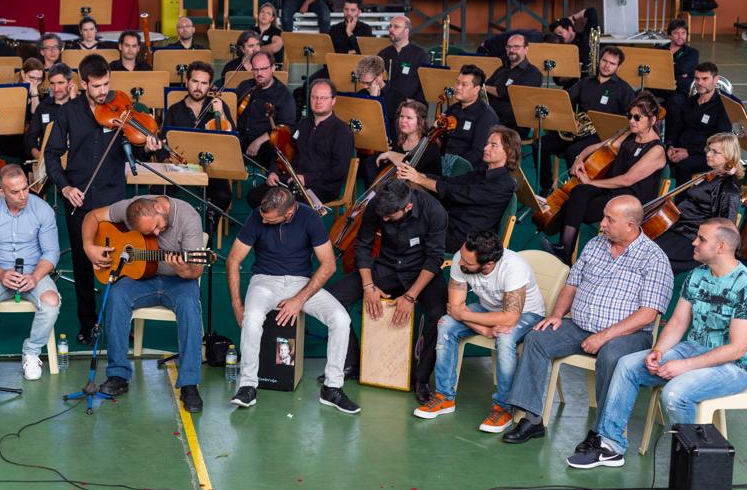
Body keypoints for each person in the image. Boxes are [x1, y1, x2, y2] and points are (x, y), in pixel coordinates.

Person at [568, 218, 747, 469]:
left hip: (734, 366)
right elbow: (678, 323)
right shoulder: (697, 275)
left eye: (701, 239)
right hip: (693, 349)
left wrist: (684, 366)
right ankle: (610, 445)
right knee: (627, 365)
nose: (694, 242)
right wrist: (659, 351)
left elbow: (737, 349)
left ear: (721, 247)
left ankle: (692, 465)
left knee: (675, 393)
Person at [502, 196, 673, 449]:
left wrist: (604, 337)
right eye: (604, 216)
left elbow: (648, 314)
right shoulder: (595, 244)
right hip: (580, 326)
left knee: (612, 356)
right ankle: (532, 419)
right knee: (537, 338)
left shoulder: (654, 259)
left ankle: (600, 432)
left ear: (630, 224)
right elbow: (572, 284)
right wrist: (557, 315)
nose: (601, 223)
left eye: (609, 219)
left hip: (629, 334)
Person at [43, 53, 161, 342]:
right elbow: (52, 155)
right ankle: (88, 325)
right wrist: (66, 187)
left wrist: (149, 145)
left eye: (106, 84)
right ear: (83, 84)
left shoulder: (119, 107)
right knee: (84, 265)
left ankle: (121, 323)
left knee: (121, 262)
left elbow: (138, 149)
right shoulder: (67, 113)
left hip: (113, 198)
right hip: (79, 198)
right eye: (96, 86)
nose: (103, 91)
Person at [227, 188, 358, 413]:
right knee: (251, 318)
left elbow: (329, 265)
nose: (262, 220)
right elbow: (233, 260)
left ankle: (332, 388)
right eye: (262, 216)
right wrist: (237, 304)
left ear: (288, 213)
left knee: (341, 319)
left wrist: (298, 300)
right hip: (264, 281)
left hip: (301, 283)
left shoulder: (310, 218)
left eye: (269, 219)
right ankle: (248, 386)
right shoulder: (257, 215)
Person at [326, 180, 448, 403]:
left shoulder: (434, 211)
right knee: (332, 298)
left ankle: (421, 379)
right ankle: (351, 361)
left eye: (390, 217)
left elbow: (434, 259)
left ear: (407, 207)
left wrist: (411, 296)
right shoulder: (378, 206)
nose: (384, 220)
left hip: (421, 271)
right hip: (386, 267)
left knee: (438, 312)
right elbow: (362, 245)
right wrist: (368, 285)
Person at [82, 195, 205, 412]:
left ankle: (189, 383)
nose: (156, 233)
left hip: (178, 281)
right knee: (116, 295)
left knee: (189, 304)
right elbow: (91, 216)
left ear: (158, 207)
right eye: (148, 233)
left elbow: (196, 270)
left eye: (157, 226)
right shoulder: (132, 208)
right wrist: (89, 247)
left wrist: (183, 268)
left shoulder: (188, 217)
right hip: (141, 280)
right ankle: (118, 374)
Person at [415, 231, 546, 434]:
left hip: (527, 315)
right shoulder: (462, 258)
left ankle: (503, 408)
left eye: (468, 262)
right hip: (488, 312)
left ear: (489, 263)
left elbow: (510, 317)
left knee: (505, 337)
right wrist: (483, 328)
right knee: (446, 323)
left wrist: (469, 318)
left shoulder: (514, 267)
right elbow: (455, 308)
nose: (459, 263)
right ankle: (444, 397)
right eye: (462, 256)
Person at [541, 92, 666, 264]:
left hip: (630, 200)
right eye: (629, 116)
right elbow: (598, 146)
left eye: (637, 117)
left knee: (573, 203)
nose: (631, 121)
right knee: (579, 192)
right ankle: (565, 249)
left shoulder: (657, 150)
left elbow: (627, 180)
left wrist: (591, 182)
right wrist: (579, 158)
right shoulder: (629, 134)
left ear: (652, 121)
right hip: (612, 190)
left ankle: (565, 251)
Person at [0, 166, 61, 392]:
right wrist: (1, 273)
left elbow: (51, 253)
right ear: (1, 192)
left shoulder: (42, 210)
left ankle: (31, 352)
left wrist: (35, 276)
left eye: (25, 189)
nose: (23, 196)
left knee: (51, 301)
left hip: (34, 271)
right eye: (15, 192)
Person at [398, 126, 519, 253]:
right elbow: (450, 181)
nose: (485, 148)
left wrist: (419, 179)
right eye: (487, 143)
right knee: (407, 216)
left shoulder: (503, 185)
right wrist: (420, 175)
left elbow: (457, 193)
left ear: (508, 151)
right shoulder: (482, 172)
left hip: (464, 239)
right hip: (450, 223)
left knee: (408, 229)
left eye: (493, 145)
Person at [536, 45, 636, 193]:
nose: (607, 66)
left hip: (601, 136)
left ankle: (574, 192)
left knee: (572, 152)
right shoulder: (585, 82)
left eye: (612, 63)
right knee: (540, 144)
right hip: (578, 130)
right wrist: (570, 120)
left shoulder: (624, 89)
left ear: (618, 66)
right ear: (599, 60)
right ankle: (546, 188)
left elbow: (630, 117)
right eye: (604, 61)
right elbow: (564, 101)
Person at [247, 78, 353, 209]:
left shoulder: (342, 131)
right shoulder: (302, 124)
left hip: (321, 186)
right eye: (314, 97)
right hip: (293, 181)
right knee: (255, 197)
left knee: (284, 205)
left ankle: (282, 228)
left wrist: (306, 178)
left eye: (324, 98)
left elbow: (339, 170)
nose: (318, 102)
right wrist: (274, 171)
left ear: (333, 100)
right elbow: (284, 153)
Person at [654, 132, 742, 274]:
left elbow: (726, 226)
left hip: (691, 239)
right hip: (677, 229)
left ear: (728, 155)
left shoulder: (728, 188)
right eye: (708, 149)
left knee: (650, 254)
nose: (708, 154)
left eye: (715, 152)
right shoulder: (710, 176)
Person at [159, 61, 234, 221]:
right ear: (186, 81)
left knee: (222, 196)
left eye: (204, 83)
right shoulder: (175, 109)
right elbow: (163, 142)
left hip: (211, 169)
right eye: (195, 81)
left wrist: (220, 115)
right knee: (158, 191)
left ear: (209, 86)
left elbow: (232, 140)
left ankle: (207, 229)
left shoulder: (219, 107)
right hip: (181, 167)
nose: (199, 87)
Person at [666, 62, 731, 183]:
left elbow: (720, 140)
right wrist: (670, 146)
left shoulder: (723, 106)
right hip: (682, 148)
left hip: (706, 153)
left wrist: (688, 152)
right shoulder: (690, 102)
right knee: (656, 156)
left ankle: (682, 202)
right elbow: (676, 128)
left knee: (684, 166)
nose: (699, 83)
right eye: (697, 78)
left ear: (716, 79)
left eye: (705, 79)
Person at [234, 51, 296, 168]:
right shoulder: (245, 86)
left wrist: (259, 141)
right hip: (240, 137)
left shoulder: (284, 95)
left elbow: (288, 126)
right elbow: (231, 109)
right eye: (255, 69)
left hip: (265, 143)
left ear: (273, 68)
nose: (259, 73)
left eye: (263, 69)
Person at [363, 99, 441, 187]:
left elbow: (410, 165)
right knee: (370, 163)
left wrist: (390, 154)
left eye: (409, 118)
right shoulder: (399, 138)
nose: (403, 121)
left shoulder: (430, 145)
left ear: (420, 121)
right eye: (401, 116)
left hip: (421, 191)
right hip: (400, 187)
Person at [441, 64, 500, 170]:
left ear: (476, 89)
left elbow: (477, 152)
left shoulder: (486, 116)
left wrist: (453, 168)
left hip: (465, 169)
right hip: (444, 162)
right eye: (457, 82)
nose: (458, 87)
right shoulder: (452, 109)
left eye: (464, 85)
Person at [484, 34, 543, 137]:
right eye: (509, 47)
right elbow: (486, 87)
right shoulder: (502, 69)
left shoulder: (533, 73)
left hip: (513, 125)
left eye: (516, 47)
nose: (512, 50)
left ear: (526, 49)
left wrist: (483, 87)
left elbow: (508, 93)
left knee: (481, 133)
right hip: (491, 118)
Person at [24, 62, 73, 162]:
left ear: (70, 83)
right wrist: (36, 153)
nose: (56, 89)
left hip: (74, 161)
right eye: (52, 83)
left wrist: (74, 100)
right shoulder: (43, 107)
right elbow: (30, 137)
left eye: (60, 83)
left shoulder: (80, 104)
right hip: (48, 161)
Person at [378, 15, 431, 108]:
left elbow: (425, 85)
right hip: (386, 103)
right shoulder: (383, 54)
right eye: (390, 26)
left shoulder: (420, 54)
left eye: (396, 27)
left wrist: (414, 102)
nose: (391, 30)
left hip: (411, 105)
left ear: (406, 31)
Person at [545, 6, 599, 72]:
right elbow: (549, 68)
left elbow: (592, 11)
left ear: (570, 29)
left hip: (588, 78)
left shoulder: (586, 36)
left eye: (560, 32)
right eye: (556, 34)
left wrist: (573, 18)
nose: (558, 37)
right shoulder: (559, 47)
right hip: (570, 80)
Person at [661, 18, 699, 106]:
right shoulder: (660, 50)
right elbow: (653, 68)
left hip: (680, 91)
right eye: (676, 33)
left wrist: (664, 68)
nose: (680, 36)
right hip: (660, 88)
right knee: (639, 95)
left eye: (683, 33)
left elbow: (682, 68)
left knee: (674, 102)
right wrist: (677, 70)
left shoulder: (692, 53)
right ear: (669, 35)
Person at [250, 3, 286, 68]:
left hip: (271, 67)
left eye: (268, 13)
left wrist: (256, 50)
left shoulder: (276, 31)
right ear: (258, 15)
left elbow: (275, 47)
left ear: (272, 18)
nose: (264, 15)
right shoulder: (252, 30)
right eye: (262, 12)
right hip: (252, 66)